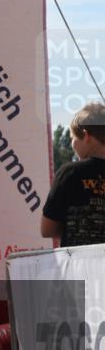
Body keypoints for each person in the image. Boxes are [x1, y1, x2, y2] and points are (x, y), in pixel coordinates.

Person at [40, 101, 105, 247]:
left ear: (86, 136)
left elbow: (46, 229)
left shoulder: (70, 173)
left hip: (79, 266)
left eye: (72, 138)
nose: (72, 144)